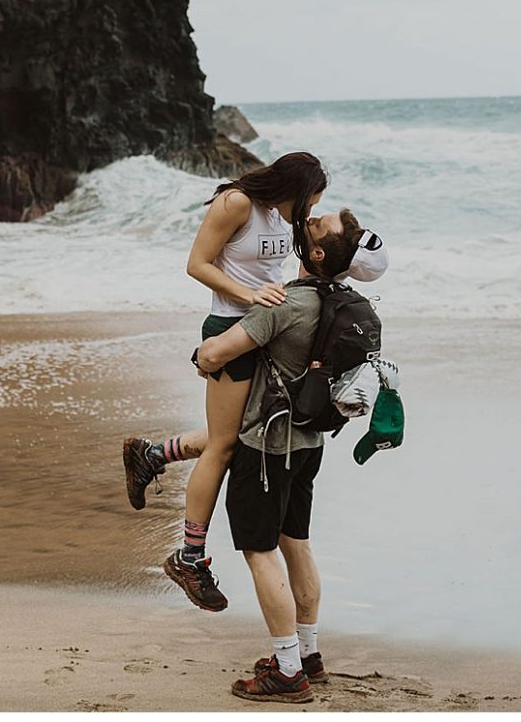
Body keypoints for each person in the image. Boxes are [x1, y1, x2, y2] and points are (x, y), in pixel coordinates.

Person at [115, 152, 327, 611]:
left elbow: (285, 274)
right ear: (291, 188)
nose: (307, 213)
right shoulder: (237, 203)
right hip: (231, 330)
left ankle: (151, 455)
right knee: (226, 447)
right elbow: (198, 263)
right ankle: (189, 556)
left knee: (240, 437)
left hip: (268, 333)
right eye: (307, 202)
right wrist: (248, 295)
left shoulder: (282, 216)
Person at [191, 216, 366, 702]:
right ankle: (308, 654)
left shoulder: (286, 303)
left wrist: (203, 350)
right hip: (310, 444)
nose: (309, 218)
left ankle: (287, 671)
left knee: (260, 551)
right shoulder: (347, 304)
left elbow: (217, 355)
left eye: (318, 224)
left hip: (266, 449)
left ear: (315, 255)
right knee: (297, 544)